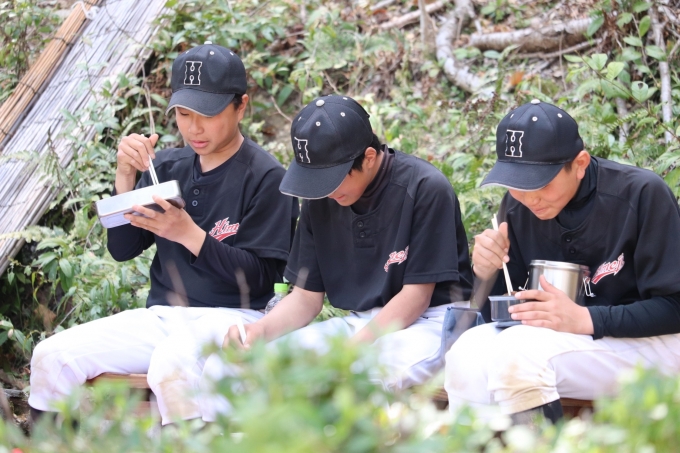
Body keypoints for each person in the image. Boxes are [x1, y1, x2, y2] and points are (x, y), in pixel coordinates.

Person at [28, 42, 297, 425]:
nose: (194, 128)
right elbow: (123, 249)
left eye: (208, 114)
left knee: (171, 366)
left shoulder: (267, 177)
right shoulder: (167, 167)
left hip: (234, 317)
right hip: (163, 316)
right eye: (184, 114)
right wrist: (125, 178)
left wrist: (189, 234)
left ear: (241, 106)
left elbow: (260, 279)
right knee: (52, 357)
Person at [203, 94, 473, 401]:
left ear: (368, 157)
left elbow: (416, 297)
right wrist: (260, 331)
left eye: (331, 179)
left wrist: (349, 352)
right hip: (359, 323)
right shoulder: (322, 197)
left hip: (431, 322)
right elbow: (306, 297)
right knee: (234, 367)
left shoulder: (424, 187)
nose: (325, 190)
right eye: (315, 180)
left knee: (354, 379)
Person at [444, 100, 680, 424]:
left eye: (540, 183)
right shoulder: (516, 208)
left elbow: (674, 308)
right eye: (517, 183)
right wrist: (486, 273)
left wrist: (585, 319)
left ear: (580, 163)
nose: (530, 198)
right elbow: (501, 315)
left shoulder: (640, 194)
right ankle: (478, 444)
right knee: (467, 351)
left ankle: (541, 444)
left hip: (653, 343)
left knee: (518, 352)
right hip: (564, 342)